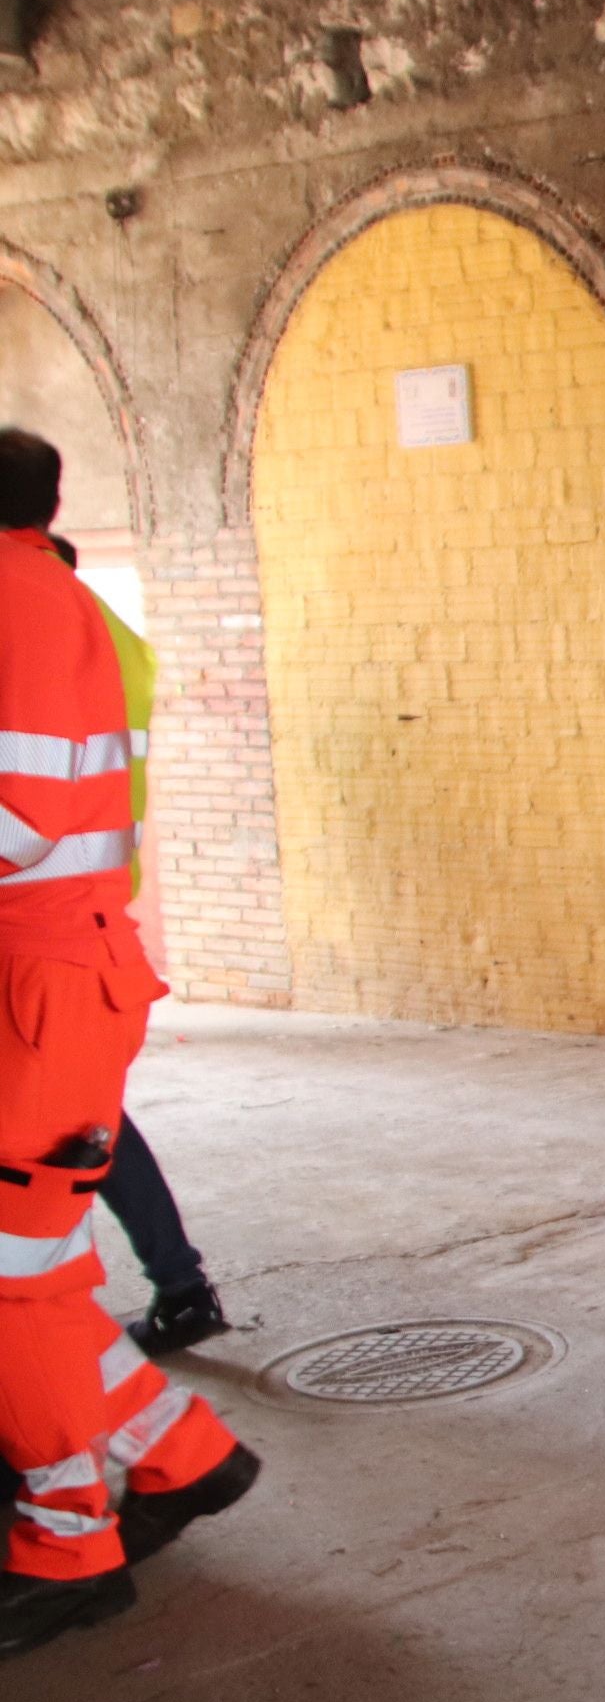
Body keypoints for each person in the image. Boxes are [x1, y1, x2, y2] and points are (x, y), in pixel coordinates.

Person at [0, 429, 259, 1659]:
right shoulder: (58, 602)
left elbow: (24, 813)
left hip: (40, 982)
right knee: (30, 1280)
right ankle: (180, 1453)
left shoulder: (20, 605)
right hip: (55, 974)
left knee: (13, 1285)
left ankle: (68, 1543)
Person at [42, 533, 230, 1354]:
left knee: (67, 1132)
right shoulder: (113, 645)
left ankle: (53, 1330)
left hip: (38, 937)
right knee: (93, 1122)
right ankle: (181, 1287)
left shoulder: (48, 655)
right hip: (94, 930)